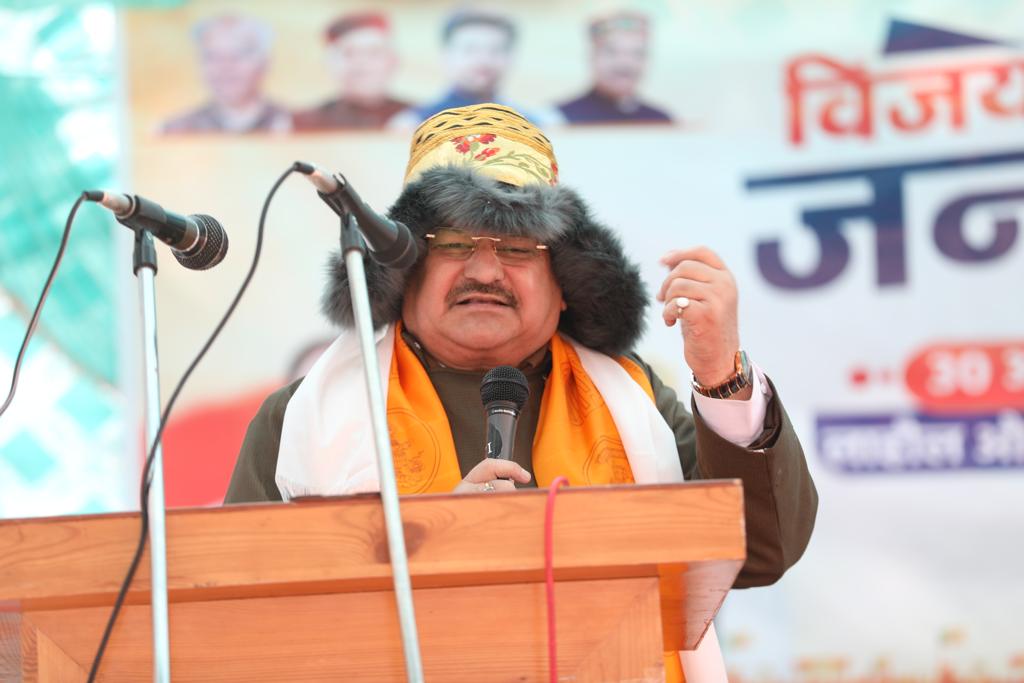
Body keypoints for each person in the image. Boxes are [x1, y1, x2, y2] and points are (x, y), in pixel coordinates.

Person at [225, 103, 816, 679]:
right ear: (401, 271)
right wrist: (436, 551)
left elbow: (763, 551)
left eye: (517, 248)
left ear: (565, 281)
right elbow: (243, 621)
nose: (484, 272)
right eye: (452, 244)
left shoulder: (632, 400)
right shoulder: (304, 416)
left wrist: (722, 377)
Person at [389, 11, 558, 128]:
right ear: (445, 56)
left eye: (495, 50)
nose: (483, 60)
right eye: (470, 50)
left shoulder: (538, 124)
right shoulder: (411, 125)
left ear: (511, 58)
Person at [160, 13, 291, 134]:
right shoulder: (177, 131)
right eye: (213, 56)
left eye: (238, 55)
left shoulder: (295, 126)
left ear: (265, 63)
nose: (225, 67)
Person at [292, 12, 410, 131]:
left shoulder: (419, 119)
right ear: (330, 63)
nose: (361, 64)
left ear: (393, 61)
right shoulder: (304, 123)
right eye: (349, 53)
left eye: (374, 53)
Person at [558, 11, 673, 124]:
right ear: (592, 56)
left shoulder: (660, 121)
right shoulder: (556, 120)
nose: (625, 63)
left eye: (637, 53)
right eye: (612, 52)